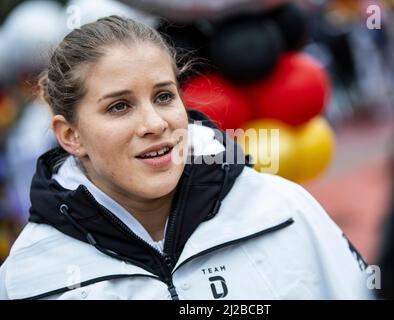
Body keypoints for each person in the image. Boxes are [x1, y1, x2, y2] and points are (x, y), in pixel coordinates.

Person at [0, 16, 370, 300]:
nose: (154, 123)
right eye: (119, 106)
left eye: (163, 96)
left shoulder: (283, 209)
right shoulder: (30, 274)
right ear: (70, 135)